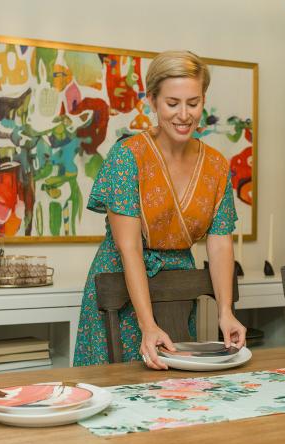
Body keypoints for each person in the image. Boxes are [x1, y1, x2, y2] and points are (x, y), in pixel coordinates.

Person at [74, 50, 246, 369]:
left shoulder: (217, 166)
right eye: (172, 103)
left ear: (203, 100)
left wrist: (226, 311)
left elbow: (220, 243)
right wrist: (147, 325)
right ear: (152, 101)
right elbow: (129, 248)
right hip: (121, 287)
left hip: (177, 288)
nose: (184, 115)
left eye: (193, 103)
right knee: (116, 388)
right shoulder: (128, 158)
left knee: (176, 393)